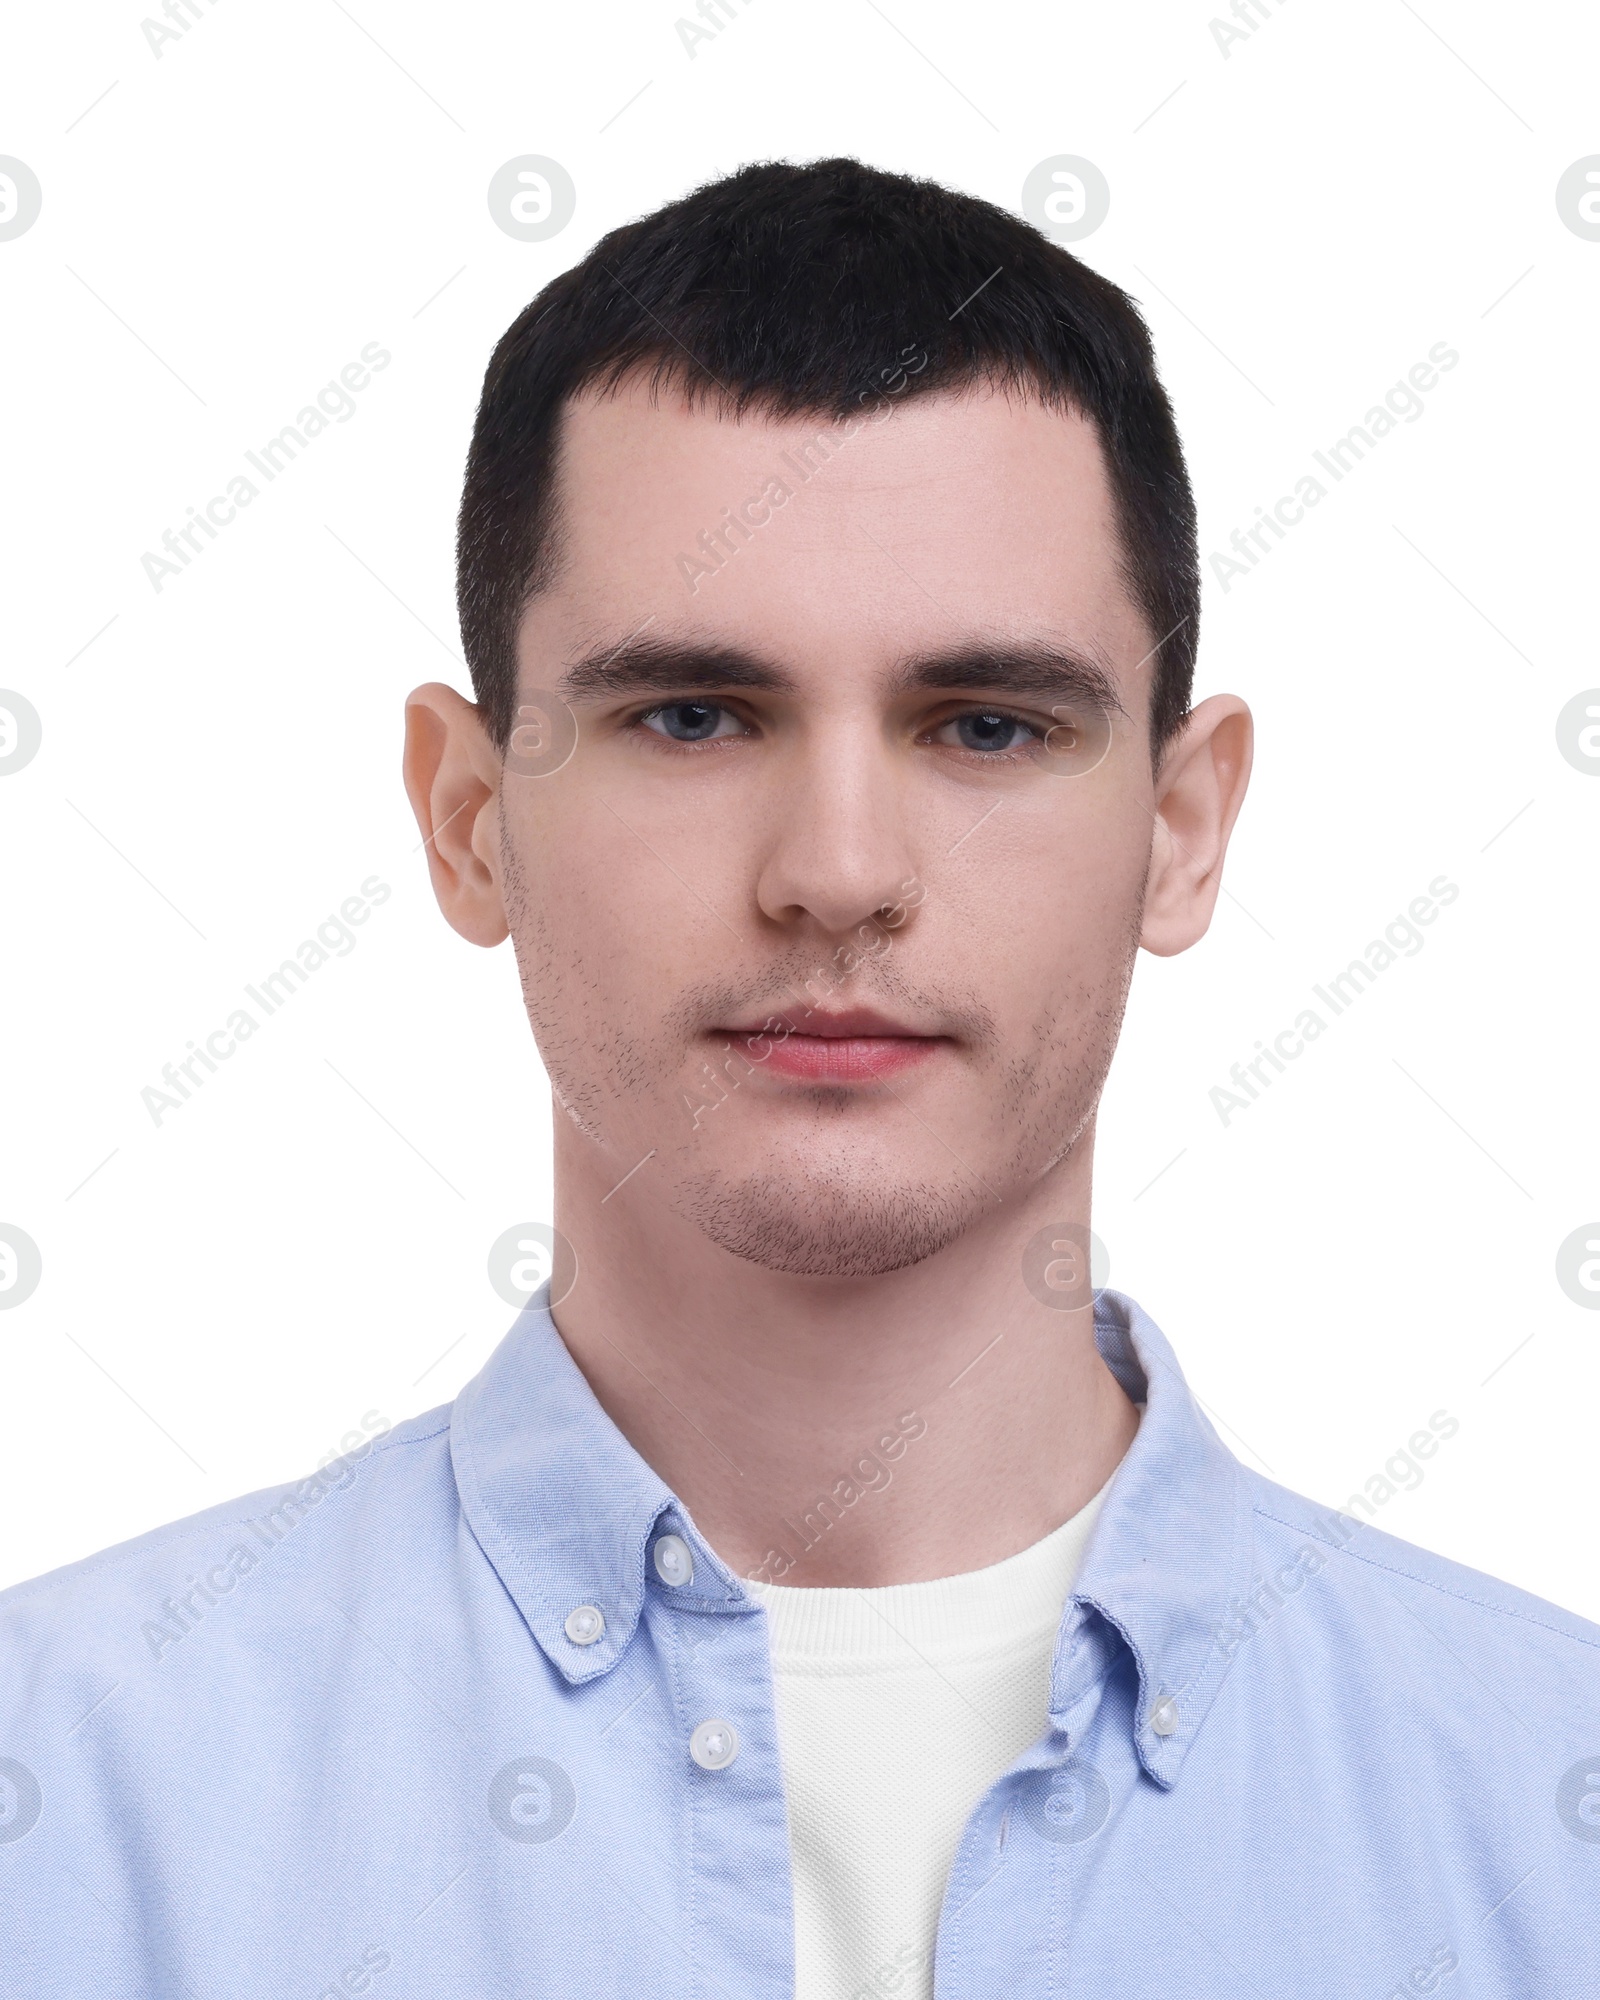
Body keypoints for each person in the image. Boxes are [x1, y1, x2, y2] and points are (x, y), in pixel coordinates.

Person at [2, 157, 1595, 1999]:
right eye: (692, 715)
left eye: (988, 723)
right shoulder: (65, 1813)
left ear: (1180, 828)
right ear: (465, 819)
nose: (838, 869)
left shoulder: (1550, 1821)